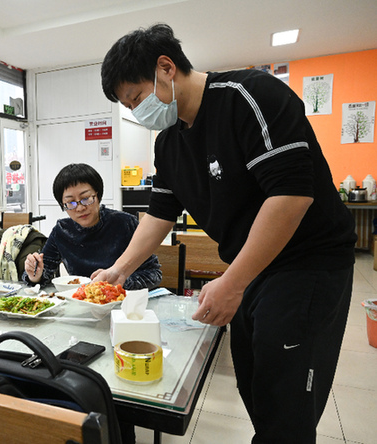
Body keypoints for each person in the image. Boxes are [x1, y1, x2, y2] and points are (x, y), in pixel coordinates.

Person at [97, 24, 356, 443]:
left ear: (166, 67)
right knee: (253, 383)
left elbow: (292, 196)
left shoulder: (248, 95)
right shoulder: (169, 143)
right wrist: (119, 269)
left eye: (137, 98)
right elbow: (160, 214)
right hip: (249, 267)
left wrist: (232, 283)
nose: (137, 112)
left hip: (306, 264)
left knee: (286, 401)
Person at [23, 163, 161, 290]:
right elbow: (44, 270)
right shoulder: (62, 231)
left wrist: (120, 281)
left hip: (123, 304)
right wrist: (35, 276)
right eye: (70, 203)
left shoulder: (125, 224)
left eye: (86, 198)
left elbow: (154, 274)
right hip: (82, 303)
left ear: (98, 195)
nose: (80, 208)